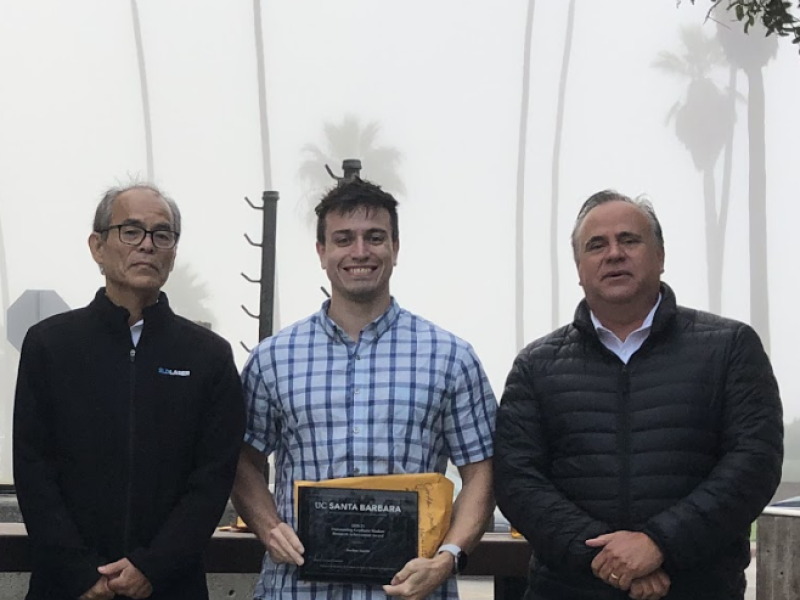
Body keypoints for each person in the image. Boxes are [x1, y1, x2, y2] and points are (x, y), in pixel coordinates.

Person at [494, 190, 783, 600]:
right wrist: (609, 558)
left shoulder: (729, 347)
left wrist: (659, 544)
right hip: (569, 589)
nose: (614, 253)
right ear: (579, 268)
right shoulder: (536, 366)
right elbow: (517, 479)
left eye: (629, 240)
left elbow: (754, 464)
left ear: (661, 256)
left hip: (698, 588)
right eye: (596, 245)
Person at [232, 178, 497, 600]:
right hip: (296, 591)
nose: (359, 252)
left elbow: (482, 471)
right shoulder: (272, 359)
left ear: (395, 247)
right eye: (343, 239)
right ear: (321, 252)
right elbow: (243, 459)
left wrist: (448, 556)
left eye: (375, 237)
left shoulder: (450, 357)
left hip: (413, 592)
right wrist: (268, 527)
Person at [13, 183, 245, 600]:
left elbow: (211, 479)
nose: (148, 246)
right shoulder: (50, 345)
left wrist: (152, 566)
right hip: (66, 586)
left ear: (174, 252)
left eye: (162, 234)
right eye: (131, 231)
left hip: (170, 585)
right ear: (97, 246)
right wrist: (81, 574)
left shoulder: (208, 356)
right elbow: (33, 469)